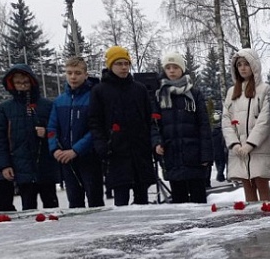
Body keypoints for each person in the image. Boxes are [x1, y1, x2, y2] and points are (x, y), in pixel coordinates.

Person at [89, 46, 156, 206]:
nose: (124, 67)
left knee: (142, 198)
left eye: (126, 63)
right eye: (119, 63)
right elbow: (95, 121)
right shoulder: (99, 90)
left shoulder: (139, 89)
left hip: (139, 151)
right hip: (115, 152)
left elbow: (149, 118)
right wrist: (102, 145)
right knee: (121, 199)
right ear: (111, 65)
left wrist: (151, 141)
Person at [0, 64, 59, 210]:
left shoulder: (47, 105)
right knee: (28, 208)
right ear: (12, 84)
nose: (22, 86)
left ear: (32, 82)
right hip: (21, 166)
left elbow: (57, 130)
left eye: (25, 82)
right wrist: (5, 165)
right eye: (18, 83)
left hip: (45, 164)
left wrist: (47, 132)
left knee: (52, 206)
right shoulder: (6, 108)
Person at [152, 52, 213, 204]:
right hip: (172, 156)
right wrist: (157, 142)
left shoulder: (194, 94)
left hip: (194, 157)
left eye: (175, 67)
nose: (172, 71)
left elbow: (204, 126)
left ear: (182, 69)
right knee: (179, 204)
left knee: (199, 201)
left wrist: (206, 155)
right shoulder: (159, 95)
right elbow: (154, 124)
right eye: (168, 67)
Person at [47, 57, 104, 208]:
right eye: (69, 73)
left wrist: (76, 150)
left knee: (95, 200)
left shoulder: (94, 97)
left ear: (86, 75)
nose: (73, 77)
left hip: (89, 157)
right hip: (66, 160)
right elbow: (52, 128)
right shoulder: (59, 101)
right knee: (74, 201)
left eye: (77, 73)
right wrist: (55, 149)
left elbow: (97, 129)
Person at [223, 48, 270, 202]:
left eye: (246, 64)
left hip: (258, 147)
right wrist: (235, 144)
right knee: (247, 184)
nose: (243, 68)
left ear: (254, 65)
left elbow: (265, 120)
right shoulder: (232, 91)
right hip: (239, 149)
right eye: (239, 65)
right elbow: (226, 120)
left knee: (261, 182)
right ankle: (253, 219)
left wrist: (250, 144)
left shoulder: (264, 89)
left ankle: (268, 215)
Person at [211, 112, 227, 183]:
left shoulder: (211, 132)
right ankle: (220, 175)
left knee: (218, 163)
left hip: (214, 150)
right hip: (220, 149)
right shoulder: (221, 132)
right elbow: (223, 141)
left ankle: (220, 176)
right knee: (222, 163)